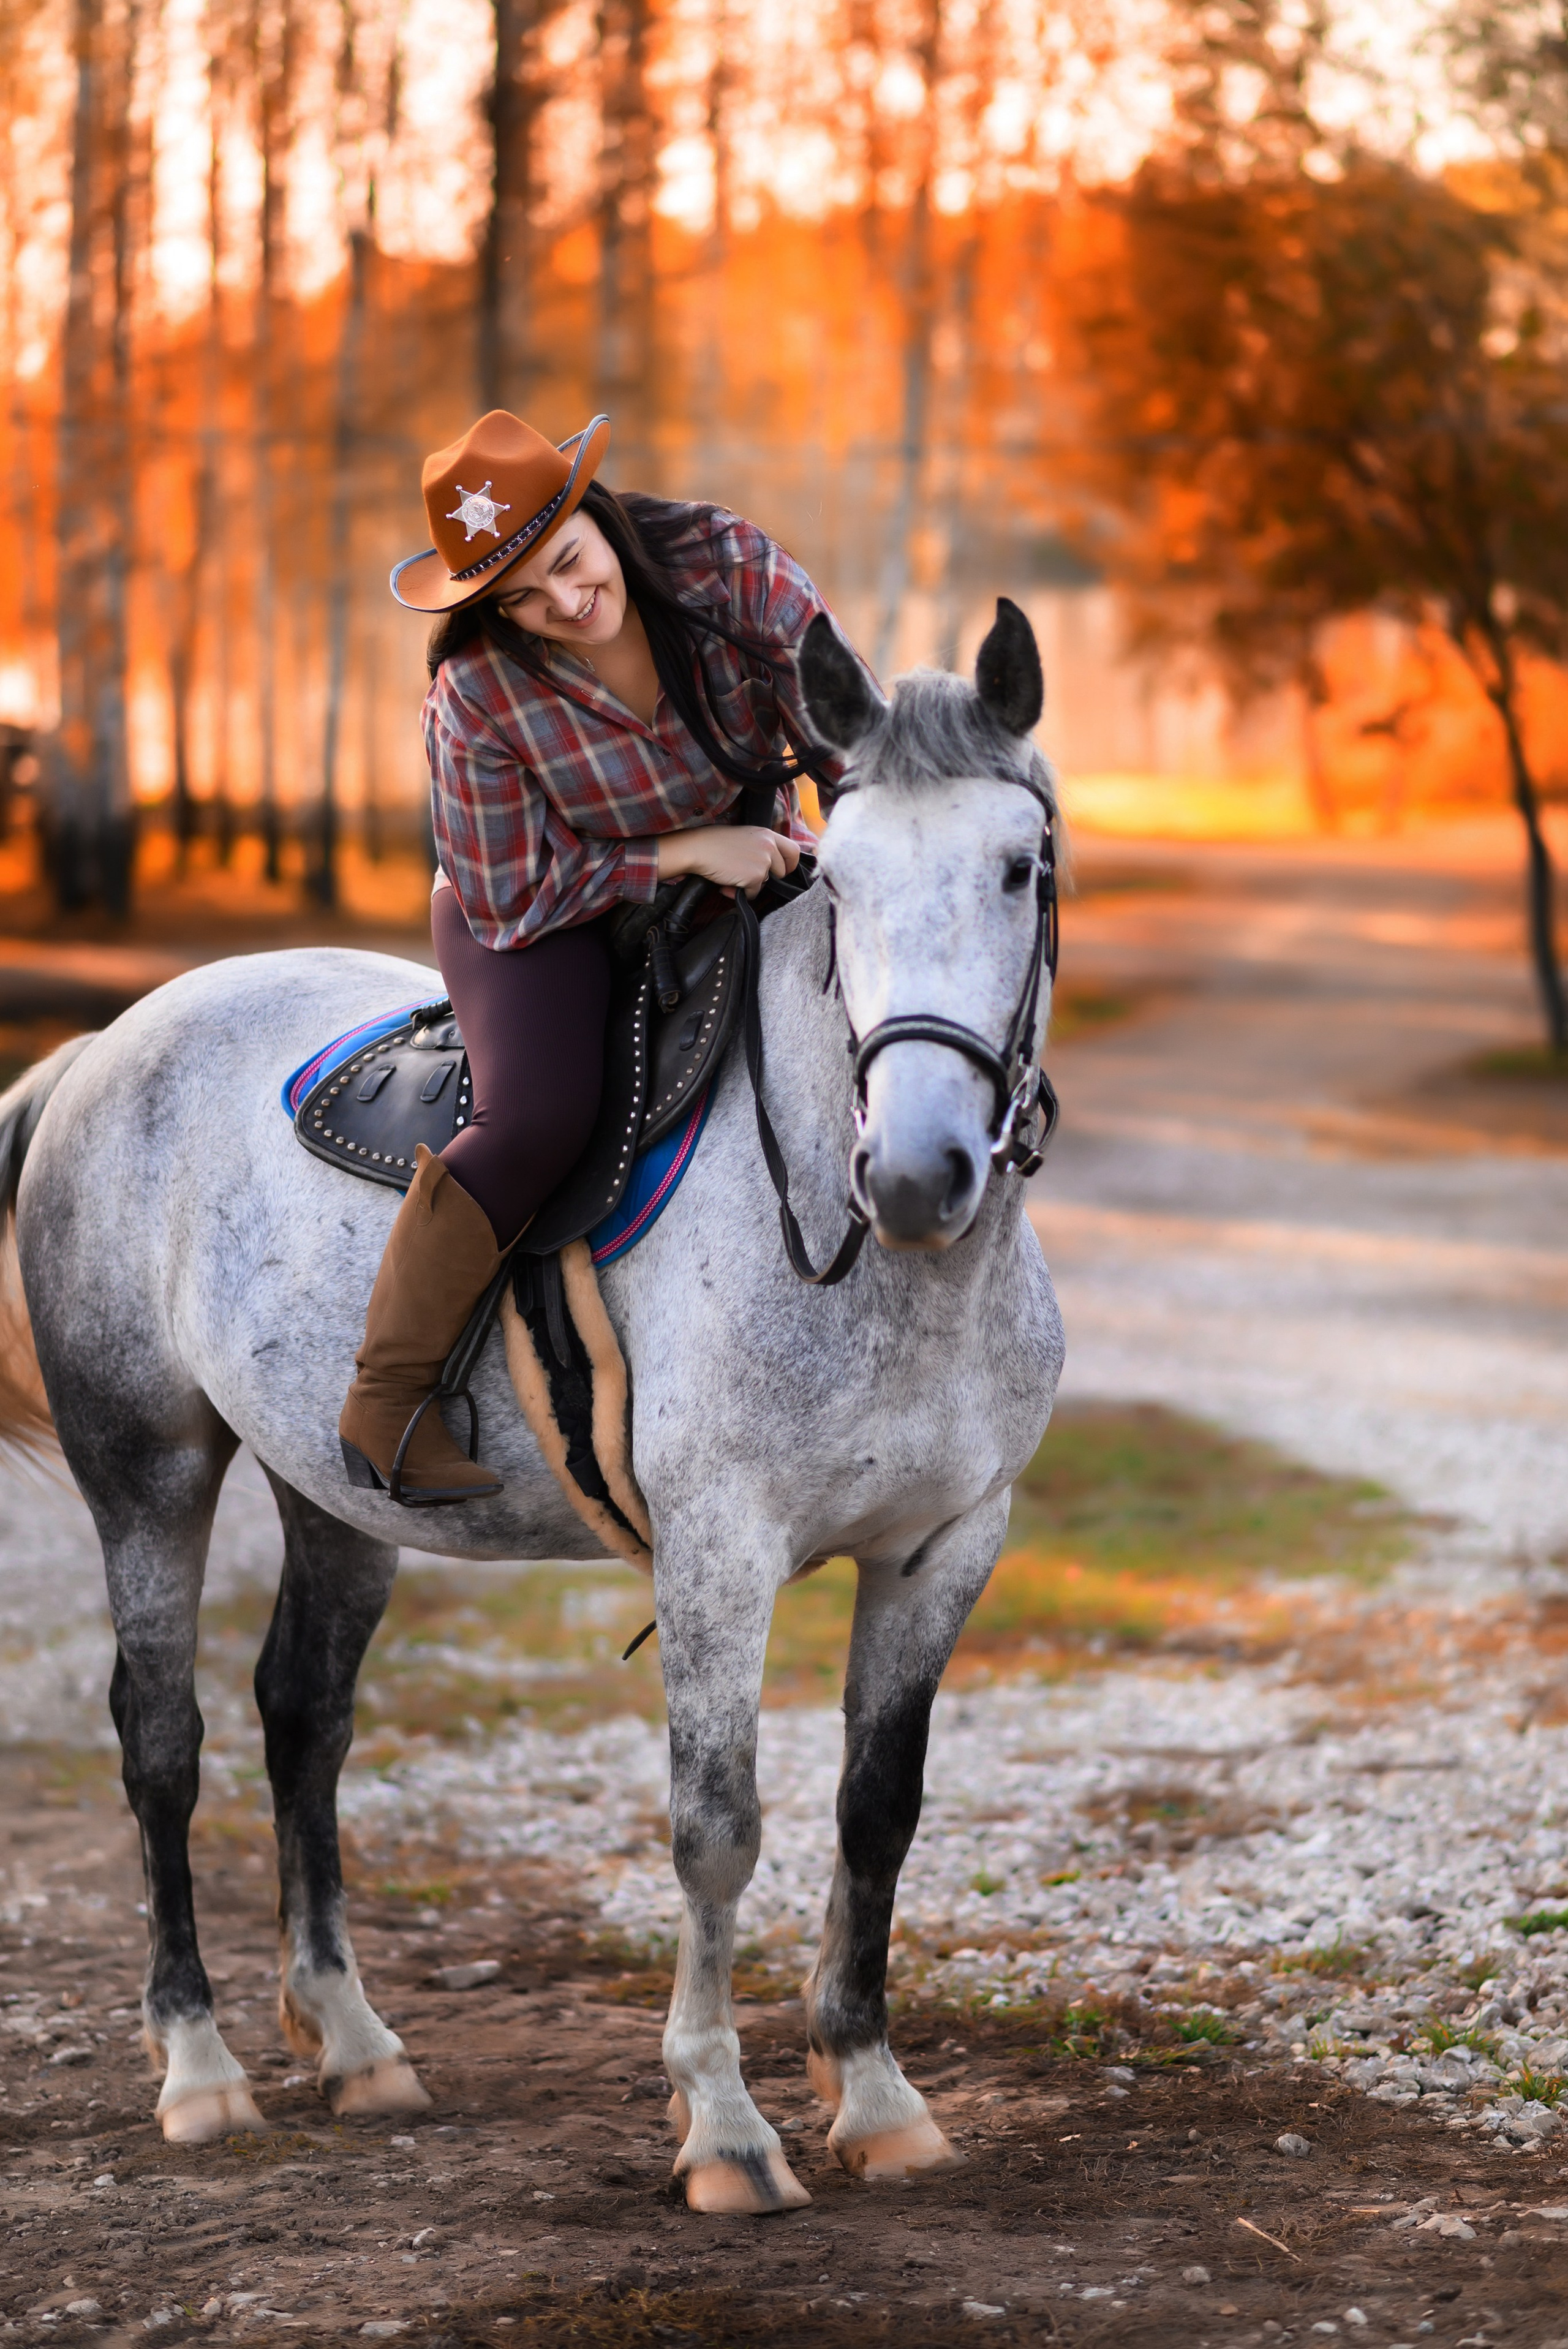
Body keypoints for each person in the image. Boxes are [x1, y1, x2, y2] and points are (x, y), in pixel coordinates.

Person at [338, 408, 849, 1504]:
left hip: (750, 860)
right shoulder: (475, 693)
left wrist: (861, 845)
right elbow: (509, 891)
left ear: (595, 515)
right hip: (537, 916)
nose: (565, 604)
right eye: (521, 596)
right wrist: (689, 852)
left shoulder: (728, 567)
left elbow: (841, 738)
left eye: (569, 562)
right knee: (536, 1117)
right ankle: (386, 1401)